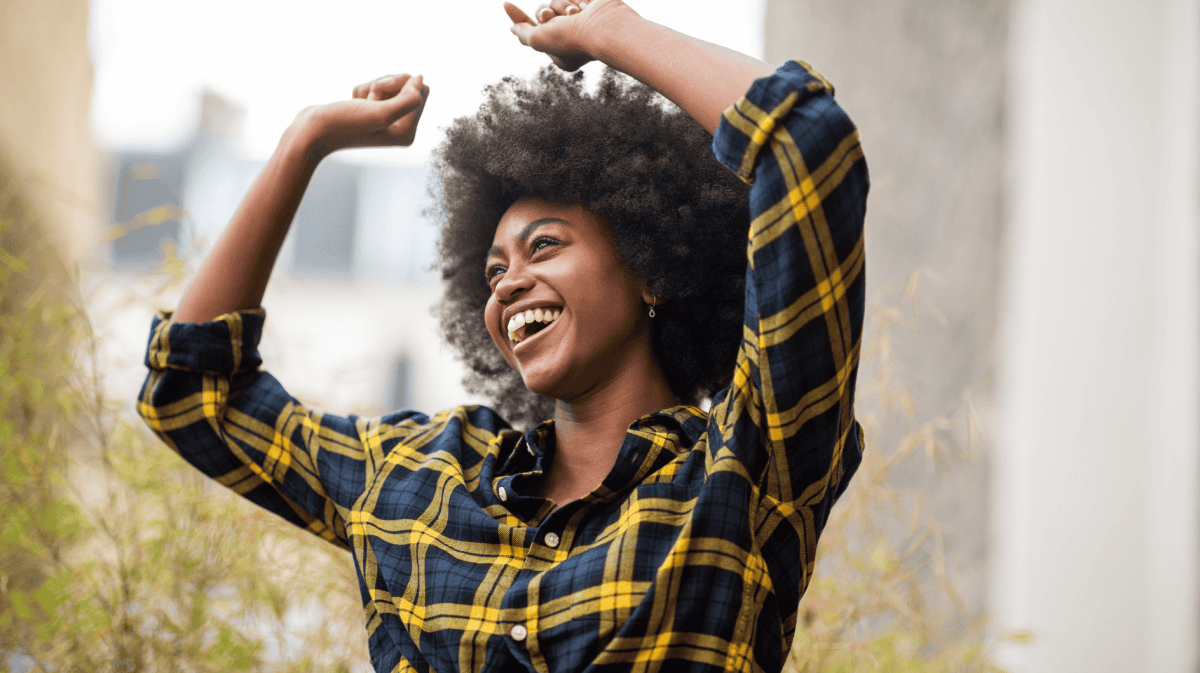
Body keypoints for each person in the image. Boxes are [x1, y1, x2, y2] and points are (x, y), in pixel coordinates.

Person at [136, 1, 869, 671]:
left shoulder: (744, 470)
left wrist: (610, 31)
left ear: (652, 271)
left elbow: (807, 146)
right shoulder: (420, 476)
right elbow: (192, 394)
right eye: (492, 271)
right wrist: (306, 140)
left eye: (543, 246)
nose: (508, 283)